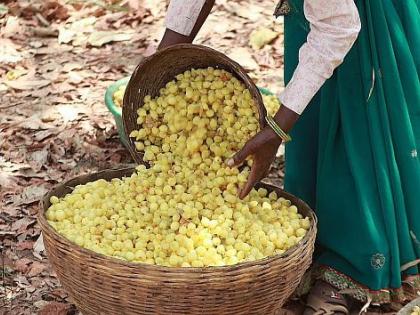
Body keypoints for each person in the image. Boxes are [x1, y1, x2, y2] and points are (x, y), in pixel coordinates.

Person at [158, 0, 420, 313]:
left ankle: (354, 266)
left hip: (359, 18)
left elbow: (339, 27)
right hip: (319, 13)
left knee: (357, 121)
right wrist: (161, 62)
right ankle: (314, 246)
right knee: (313, 113)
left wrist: (278, 128)